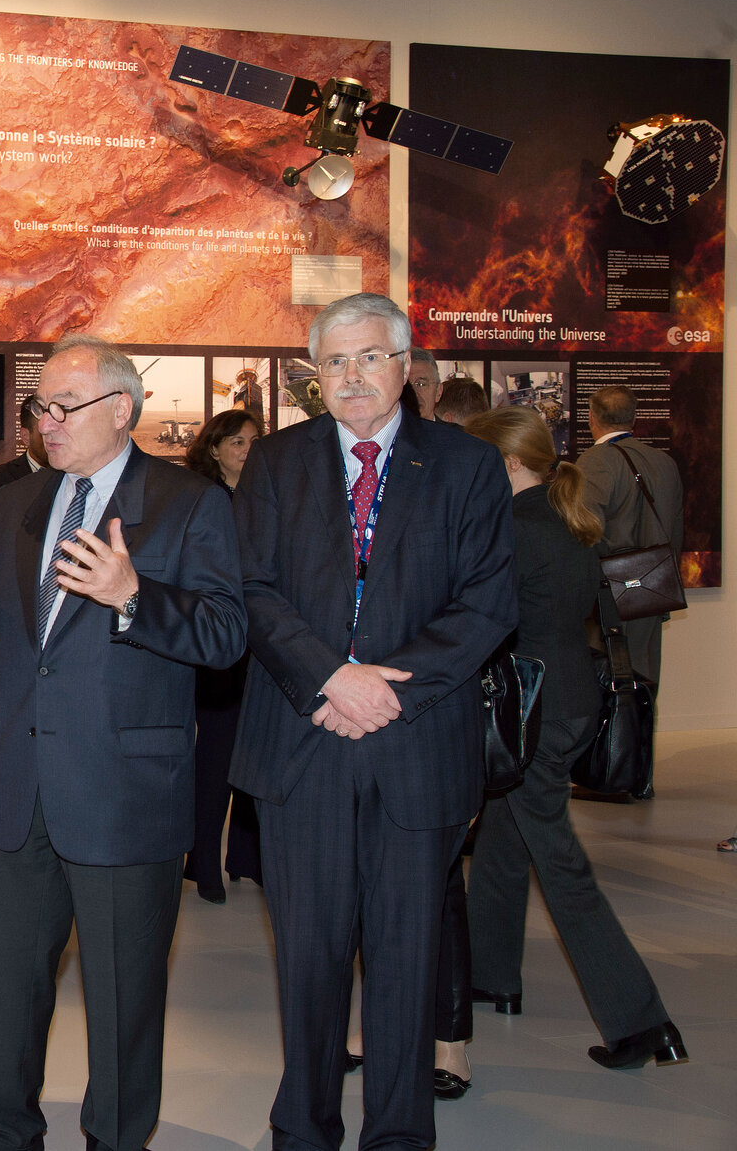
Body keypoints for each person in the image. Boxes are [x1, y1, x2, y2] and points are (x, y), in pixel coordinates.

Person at [0, 333, 245, 1151]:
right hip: (18, 788)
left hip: (122, 791)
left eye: (64, 408)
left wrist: (134, 596)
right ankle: (0, 1132)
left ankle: (114, 1139)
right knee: (4, 987)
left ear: (121, 411)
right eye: (39, 408)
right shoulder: (21, 503)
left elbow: (224, 635)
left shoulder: (188, 503)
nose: (46, 424)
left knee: (121, 996)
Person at [232, 292, 515, 1151]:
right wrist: (332, 677)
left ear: (405, 367)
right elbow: (250, 589)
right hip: (303, 736)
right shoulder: (276, 463)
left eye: (369, 358)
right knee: (309, 963)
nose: (352, 377)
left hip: (415, 743)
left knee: (406, 963)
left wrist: (385, 691)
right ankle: (304, 1130)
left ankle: (399, 1135)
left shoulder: (466, 466)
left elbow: (488, 602)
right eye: (335, 363)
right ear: (315, 377)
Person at [463, 406, 688, 1070]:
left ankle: (643, 1021)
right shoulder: (570, 519)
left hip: (531, 709)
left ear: (504, 463)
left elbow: (487, 621)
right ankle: (490, 974)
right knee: (504, 838)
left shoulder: (509, 529)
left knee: (562, 868)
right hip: (569, 698)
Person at [180, 408, 264, 903]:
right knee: (214, 758)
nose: (248, 451)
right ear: (214, 449)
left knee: (255, 754)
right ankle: (203, 862)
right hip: (215, 645)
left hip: (261, 646)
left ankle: (248, 859)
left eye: (255, 441)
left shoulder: (266, 498)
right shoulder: (203, 500)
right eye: (238, 442)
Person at [575, 385, 682, 691]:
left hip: (609, 588)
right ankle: (641, 739)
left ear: (592, 417)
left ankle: (619, 740)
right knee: (645, 673)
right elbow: (675, 529)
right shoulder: (664, 462)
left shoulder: (595, 462)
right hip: (654, 582)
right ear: (633, 418)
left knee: (611, 677)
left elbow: (584, 528)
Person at [0, 394, 47, 514]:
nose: (51, 440)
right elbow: (0, 526)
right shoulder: (1, 478)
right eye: (44, 433)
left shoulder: (71, 473)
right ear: (26, 437)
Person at [406, 347, 441, 420]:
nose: (414, 393)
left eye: (421, 384)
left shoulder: (451, 431)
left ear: (438, 392)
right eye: (406, 385)